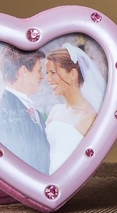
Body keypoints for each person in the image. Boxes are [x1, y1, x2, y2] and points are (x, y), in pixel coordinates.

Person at [44, 44, 105, 174]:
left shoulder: (89, 117)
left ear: (72, 74)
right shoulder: (55, 110)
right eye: (47, 73)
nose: (48, 80)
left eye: (53, 73)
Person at [0, 47, 50, 174]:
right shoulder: (3, 114)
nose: (42, 76)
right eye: (39, 70)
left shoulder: (35, 112)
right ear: (24, 71)